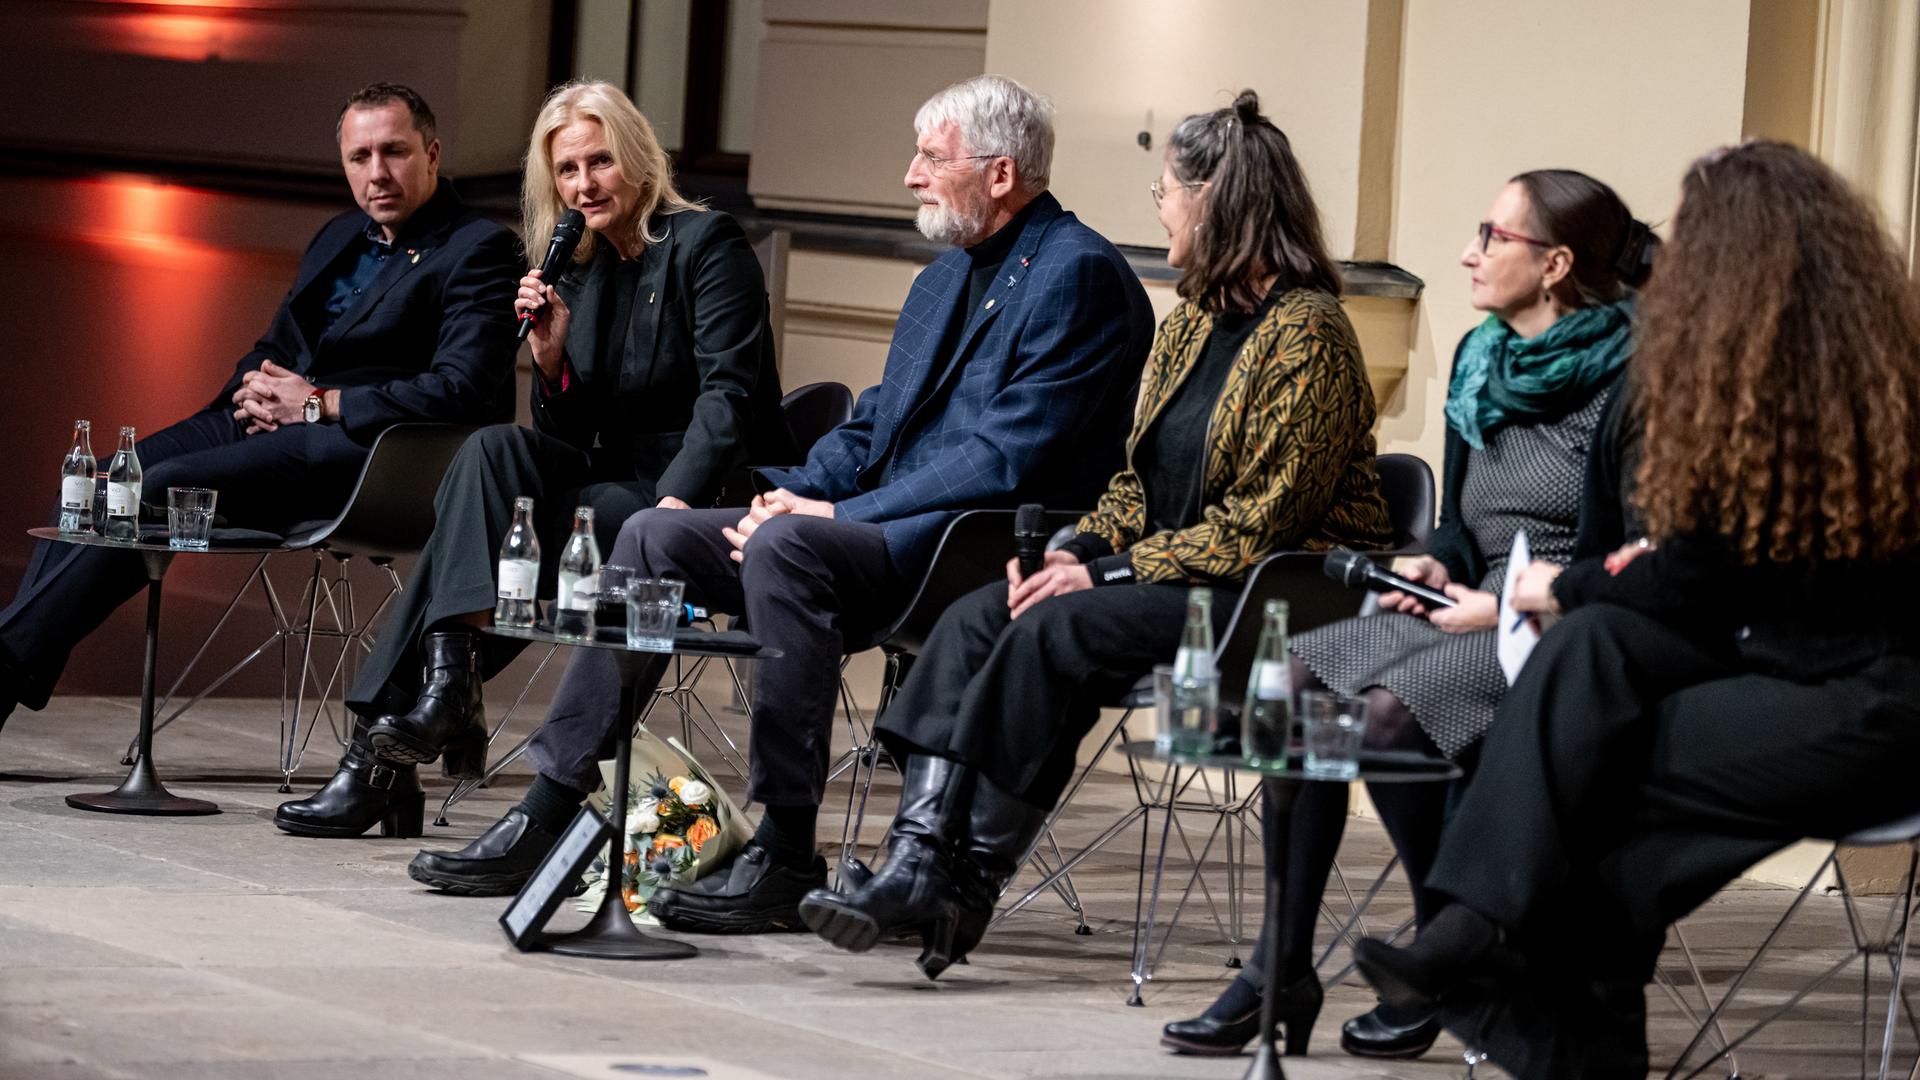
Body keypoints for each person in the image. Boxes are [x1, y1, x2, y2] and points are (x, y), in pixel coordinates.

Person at [401, 74, 1156, 913]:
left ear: (1002, 173)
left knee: (790, 544)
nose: (910, 175)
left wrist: (832, 513)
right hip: (877, 526)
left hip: (967, 546)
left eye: (930, 158)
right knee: (654, 534)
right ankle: (550, 807)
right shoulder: (942, 279)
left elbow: (1004, 456)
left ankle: (787, 846)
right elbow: (872, 431)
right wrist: (782, 490)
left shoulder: (1079, 274)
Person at [1352, 141, 1920, 1079]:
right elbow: (1691, 577)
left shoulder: (1830, 400)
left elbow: (1705, 578)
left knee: (1589, 790)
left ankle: (1478, 940)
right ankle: (1470, 932)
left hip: (1865, 703)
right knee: (1596, 670)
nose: (1674, 266)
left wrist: (1565, 585)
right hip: (1769, 667)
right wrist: (1600, 589)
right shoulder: (1748, 387)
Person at [799, 90, 1395, 981]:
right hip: (1173, 577)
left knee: (1058, 626)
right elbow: (1135, 483)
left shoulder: (1307, 334)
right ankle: (917, 861)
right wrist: (1078, 549)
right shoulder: (1194, 320)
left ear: (1217, 201)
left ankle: (966, 881)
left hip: (1266, 598)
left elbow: (1255, 528)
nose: (1158, 208)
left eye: (1167, 191)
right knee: (980, 613)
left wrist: (1104, 578)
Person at [1161, 168, 1655, 1060]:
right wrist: (1436, 560)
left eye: (1492, 237)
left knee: (1392, 714)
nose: (1469, 253)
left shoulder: (1631, 380)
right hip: (1467, 602)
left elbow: (1623, 557)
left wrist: (1498, 598)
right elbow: (1467, 525)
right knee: (1289, 682)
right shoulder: (1482, 358)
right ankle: (1283, 963)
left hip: (1558, 628)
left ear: (1557, 265)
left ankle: (1445, 950)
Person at [275, 80, 791, 840]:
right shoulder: (579, 263)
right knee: (493, 450)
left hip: (698, 494)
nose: (584, 185)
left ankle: (379, 760)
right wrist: (550, 366)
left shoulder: (707, 247)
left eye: (600, 163)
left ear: (640, 159)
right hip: (609, 484)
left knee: (506, 543)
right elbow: (572, 436)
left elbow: (729, 401)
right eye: (568, 172)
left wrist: (673, 505)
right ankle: (447, 686)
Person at [0, 83, 519, 738]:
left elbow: (463, 389)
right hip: (272, 418)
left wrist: (321, 403)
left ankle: (5, 663)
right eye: (360, 157)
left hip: (371, 455)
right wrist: (254, 386)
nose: (377, 173)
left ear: (433, 154)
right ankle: (14, 668)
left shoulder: (479, 248)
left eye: (394, 152)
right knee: (104, 482)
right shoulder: (338, 236)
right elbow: (278, 344)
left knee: (159, 489)